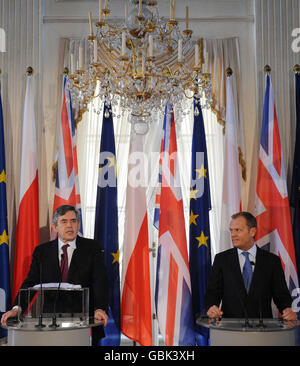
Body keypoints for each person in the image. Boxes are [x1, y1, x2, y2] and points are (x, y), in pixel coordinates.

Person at [1, 204, 109, 345]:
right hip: (49, 321)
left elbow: (100, 282)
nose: (69, 225)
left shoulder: (92, 248)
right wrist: (16, 309)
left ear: (79, 225)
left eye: (73, 221)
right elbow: (30, 283)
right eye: (64, 221)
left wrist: (99, 308)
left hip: (84, 320)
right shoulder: (42, 252)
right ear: (54, 227)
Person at [205, 211, 297, 321]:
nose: (232, 235)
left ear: (252, 231)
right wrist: (211, 307)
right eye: (231, 230)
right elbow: (213, 293)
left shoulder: (272, 261)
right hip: (230, 329)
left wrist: (287, 309)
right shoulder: (222, 259)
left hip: (262, 329)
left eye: (237, 230)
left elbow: (281, 295)